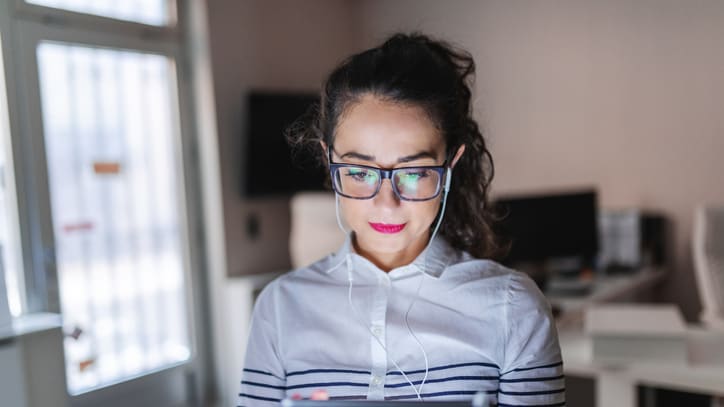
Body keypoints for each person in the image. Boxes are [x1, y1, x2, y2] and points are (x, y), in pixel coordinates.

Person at [238, 33, 564, 407]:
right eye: (360, 172)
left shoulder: (513, 308)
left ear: (450, 165)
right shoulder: (280, 308)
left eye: (414, 173)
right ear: (330, 162)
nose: (386, 203)